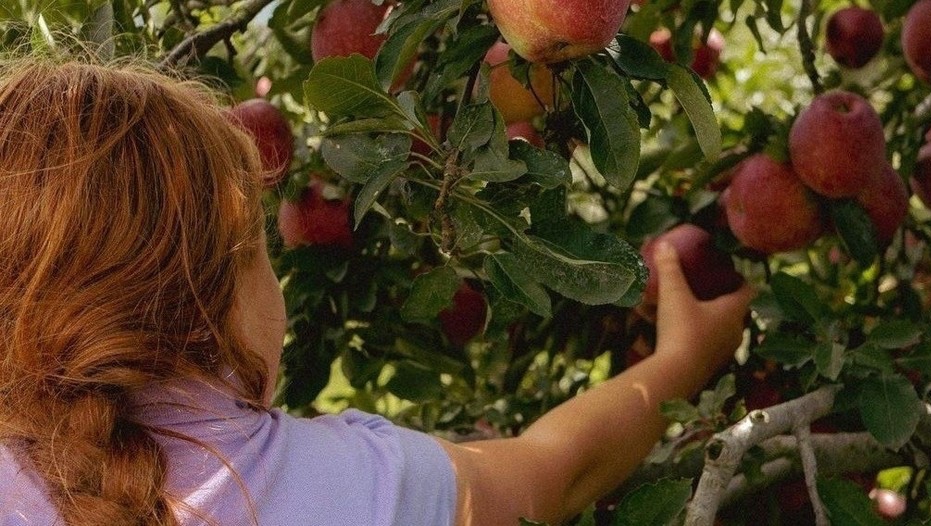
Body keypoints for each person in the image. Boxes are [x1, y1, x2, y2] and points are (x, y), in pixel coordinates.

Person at [0, 58, 754, 526]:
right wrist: (684, 358)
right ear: (222, 281)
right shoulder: (355, 487)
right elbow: (556, 471)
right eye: (265, 247)